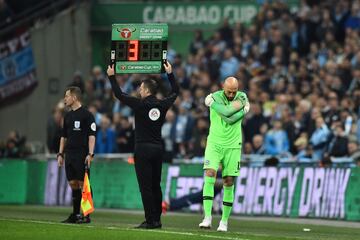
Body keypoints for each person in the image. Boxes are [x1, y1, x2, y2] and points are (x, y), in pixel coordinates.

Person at [107, 61, 178, 229]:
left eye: (140, 88)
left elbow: (119, 94)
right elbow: (175, 91)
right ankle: (158, 219)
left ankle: (150, 220)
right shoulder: (162, 105)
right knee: (155, 186)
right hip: (158, 149)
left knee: (145, 187)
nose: (139, 90)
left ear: (146, 90)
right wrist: (170, 74)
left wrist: (111, 76)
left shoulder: (139, 104)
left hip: (143, 149)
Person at [199, 77, 250, 232]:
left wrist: (213, 105)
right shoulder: (216, 95)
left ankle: (224, 222)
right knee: (209, 175)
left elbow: (229, 116)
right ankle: (207, 218)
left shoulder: (241, 96)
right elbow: (231, 114)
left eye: (234, 91)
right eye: (229, 91)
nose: (231, 94)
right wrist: (241, 111)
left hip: (233, 146)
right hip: (214, 143)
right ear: (223, 87)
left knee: (228, 182)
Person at [57, 86, 96, 224]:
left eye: (67, 96)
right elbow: (63, 136)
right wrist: (60, 154)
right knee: (73, 183)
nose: (65, 99)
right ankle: (75, 214)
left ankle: (86, 215)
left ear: (74, 98)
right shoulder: (67, 116)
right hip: (70, 154)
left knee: (83, 183)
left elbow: (92, 136)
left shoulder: (87, 115)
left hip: (82, 154)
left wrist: (90, 154)